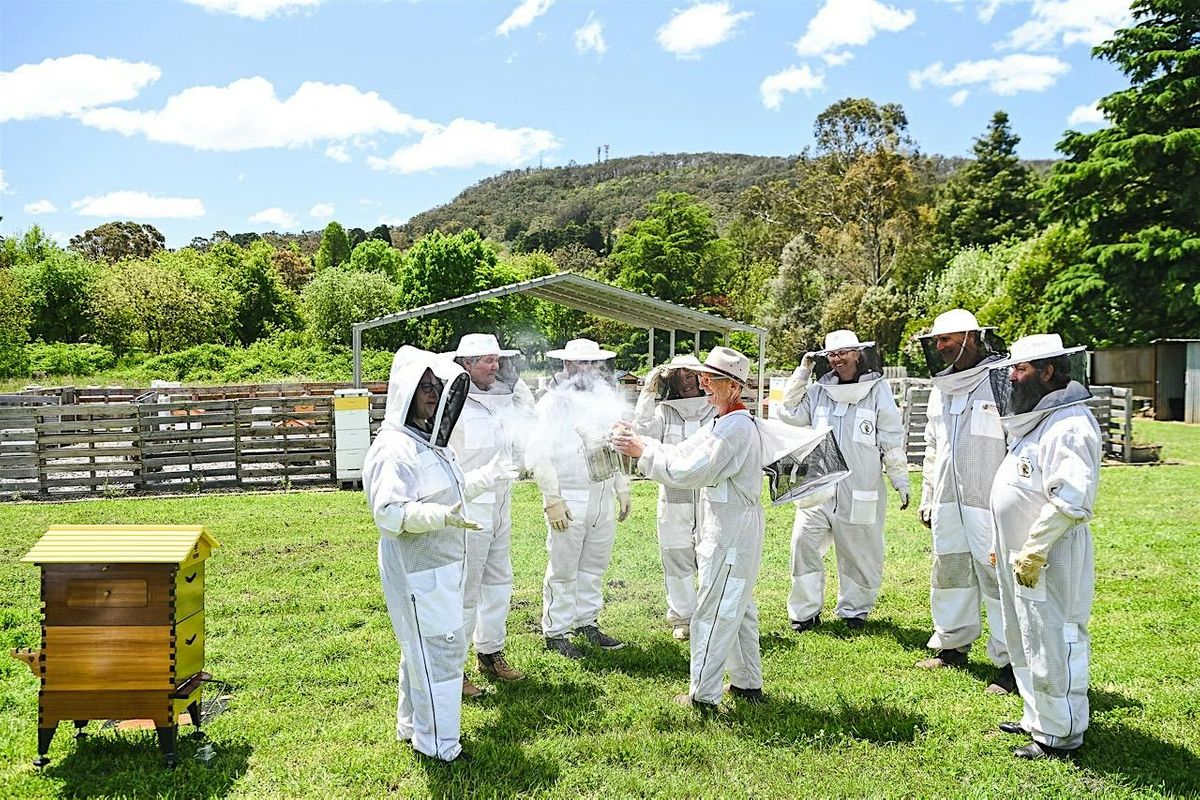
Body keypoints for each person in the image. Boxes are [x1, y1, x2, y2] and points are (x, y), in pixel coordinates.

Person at [363, 346, 517, 762]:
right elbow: (389, 513)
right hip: (419, 571)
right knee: (441, 656)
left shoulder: (430, 442)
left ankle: (411, 726)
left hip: (441, 566)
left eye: (437, 386)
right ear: (405, 392)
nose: (432, 394)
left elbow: (452, 491)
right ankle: (440, 747)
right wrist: (437, 516)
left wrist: (488, 476)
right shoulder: (394, 449)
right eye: (424, 387)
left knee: (420, 649)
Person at [612, 347, 766, 709]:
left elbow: (690, 472)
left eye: (711, 380)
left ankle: (703, 695)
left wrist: (641, 454)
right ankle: (747, 684)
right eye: (702, 378)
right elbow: (681, 451)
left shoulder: (736, 428)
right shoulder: (723, 421)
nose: (703, 385)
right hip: (728, 527)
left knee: (712, 611)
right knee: (738, 607)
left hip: (731, 531)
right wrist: (641, 441)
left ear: (733, 386)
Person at [988, 334, 1100, 760]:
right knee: (1026, 636)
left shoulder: (1070, 424)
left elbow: (1070, 499)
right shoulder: (1038, 419)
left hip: (1051, 556)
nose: (1013, 377)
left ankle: (1062, 734)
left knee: (1056, 637)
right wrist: (1008, 544)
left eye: (1020, 369)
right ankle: (1039, 719)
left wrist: (1033, 549)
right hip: (1023, 555)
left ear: (1048, 372)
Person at [776, 330, 908, 631]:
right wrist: (803, 371)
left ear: (858, 354)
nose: (838, 359)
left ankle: (854, 611)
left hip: (861, 487)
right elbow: (789, 412)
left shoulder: (877, 391)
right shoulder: (819, 391)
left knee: (859, 552)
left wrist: (900, 480)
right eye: (832, 354)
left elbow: (891, 438)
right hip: (819, 487)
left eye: (844, 352)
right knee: (803, 544)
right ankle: (804, 613)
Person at [913, 310, 1016, 695]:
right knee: (950, 573)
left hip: (989, 502)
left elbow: (1018, 442)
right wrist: (928, 497)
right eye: (936, 341)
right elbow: (933, 447)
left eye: (946, 340)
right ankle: (952, 644)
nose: (939, 347)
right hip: (948, 501)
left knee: (997, 580)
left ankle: (1010, 663)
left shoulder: (1003, 380)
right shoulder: (942, 388)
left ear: (971, 337)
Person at [526, 338, 632, 659]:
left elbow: (613, 447)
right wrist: (552, 499)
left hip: (601, 499)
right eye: (580, 363)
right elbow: (538, 454)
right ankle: (556, 631)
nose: (586, 369)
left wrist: (621, 487)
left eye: (591, 363)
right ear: (566, 365)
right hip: (570, 498)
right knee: (563, 569)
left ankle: (587, 622)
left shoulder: (604, 402)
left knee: (593, 567)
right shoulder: (552, 403)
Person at [449, 333, 535, 696]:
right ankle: (454, 669)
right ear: (466, 364)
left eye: (497, 359)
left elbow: (528, 427)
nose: (495, 366)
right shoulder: (451, 405)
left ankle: (490, 653)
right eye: (487, 360)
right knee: (466, 590)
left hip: (502, 501)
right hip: (469, 505)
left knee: (499, 582)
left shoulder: (503, 399)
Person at [632, 354, 717, 641]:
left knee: (711, 553)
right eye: (681, 375)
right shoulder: (665, 412)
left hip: (710, 493)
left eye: (692, 374)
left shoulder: (713, 409)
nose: (688, 380)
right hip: (674, 495)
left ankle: (710, 614)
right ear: (673, 382)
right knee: (676, 555)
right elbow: (641, 431)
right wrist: (648, 391)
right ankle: (683, 617)